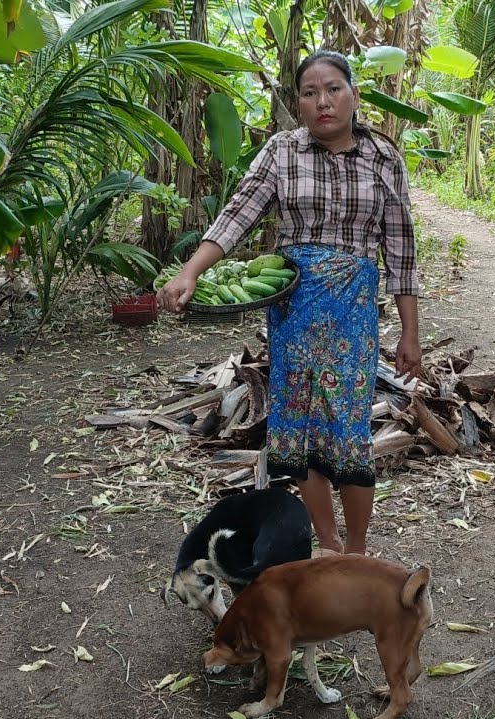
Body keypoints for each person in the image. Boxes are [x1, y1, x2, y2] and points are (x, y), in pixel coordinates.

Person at [157, 49, 421, 555]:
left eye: (333, 89)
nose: (323, 102)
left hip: (352, 316)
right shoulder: (282, 150)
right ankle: (328, 542)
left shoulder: (384, 157)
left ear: (354, 94)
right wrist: (191, 270)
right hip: (294, 311)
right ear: (297, 103)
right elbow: (238, 215)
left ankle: (357, 550)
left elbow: (401, 251)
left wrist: (410, 333)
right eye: (309, 93)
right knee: (298, 428)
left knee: (347, 429)